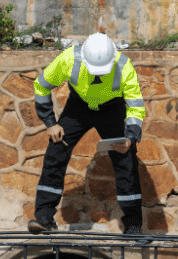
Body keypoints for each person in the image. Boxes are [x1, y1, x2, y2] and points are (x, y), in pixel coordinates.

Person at [28, 32, 147, 235]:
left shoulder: (123, 65)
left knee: (126, 160)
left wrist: (130, 135)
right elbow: (41, 86)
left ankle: (134, 225)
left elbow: (135, 106)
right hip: (78, 108)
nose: (98, 75)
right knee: (56, 150)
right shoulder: (68, 59)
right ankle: (44, 217)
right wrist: (50, 123)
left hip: (113, 110)